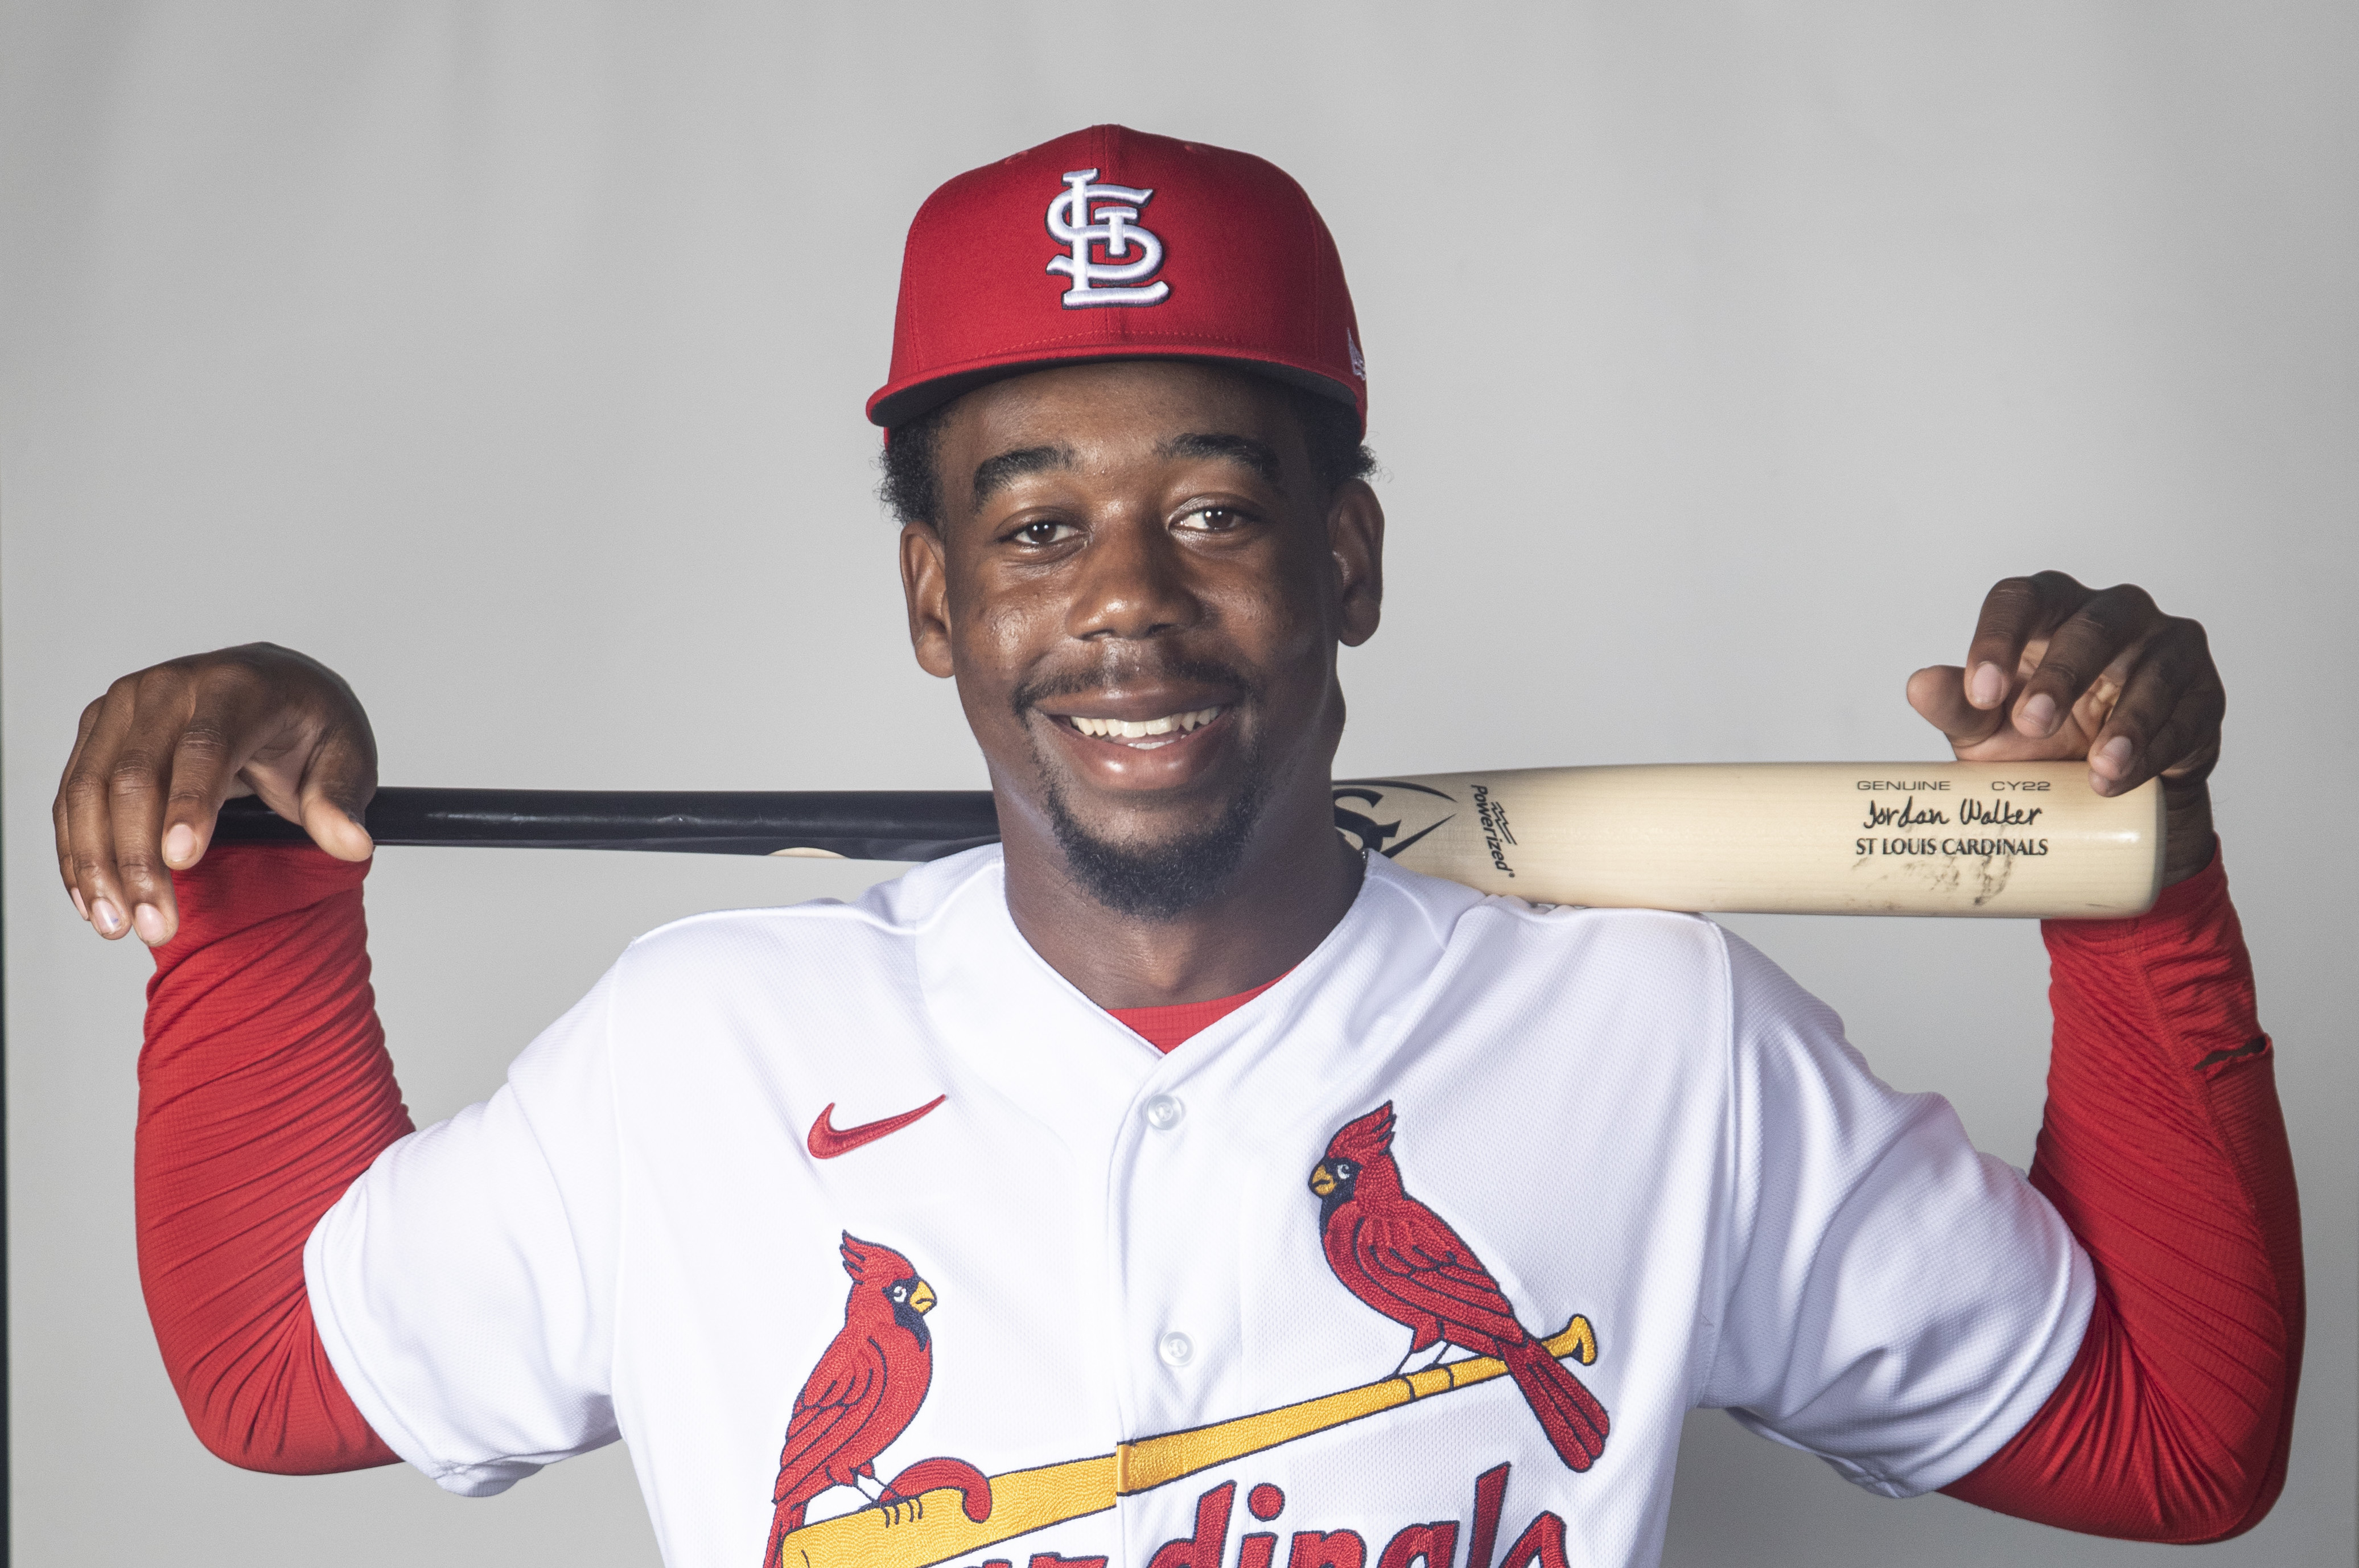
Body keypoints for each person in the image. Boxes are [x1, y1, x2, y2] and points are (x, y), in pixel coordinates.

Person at [55, 126, 2298, 1568]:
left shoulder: (1653, 1030)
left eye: (1212, 507)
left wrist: (2132, 890)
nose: (1121, 594)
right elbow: (279, 1366)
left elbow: (2166, 1435)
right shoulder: (704, 1048)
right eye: (1034, 522)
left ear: (1349, 561)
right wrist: (249, 868)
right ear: (936, 599)